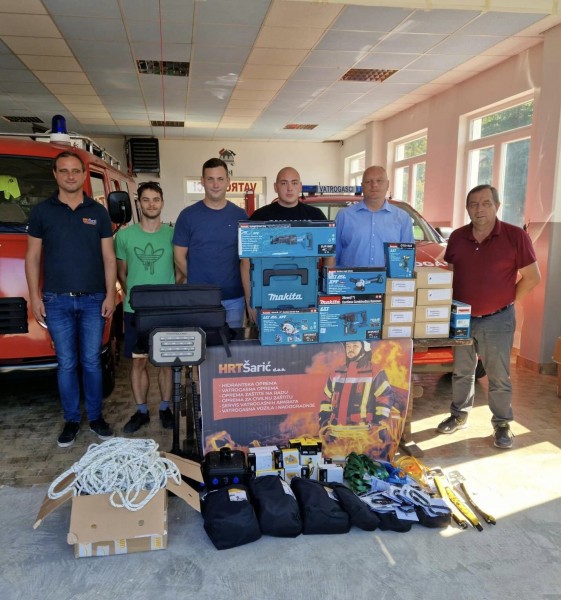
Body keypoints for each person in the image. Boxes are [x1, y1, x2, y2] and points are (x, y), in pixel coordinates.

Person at [436, 184, 541, 449]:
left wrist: (507, 301)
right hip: (462, 319)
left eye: (485, 203)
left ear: (497, 206)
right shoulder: (458, 237)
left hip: (498, 319)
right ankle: (459, 415)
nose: (479, 209)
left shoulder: (515, 236)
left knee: (498, 376)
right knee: (461, 371)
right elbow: (450, 274)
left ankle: (502, 424)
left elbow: (532, 277)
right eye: (473, 204)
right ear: (467, 208)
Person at [25, 150, 115, 448]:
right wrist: (35, 297)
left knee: (91, 362)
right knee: (66, 364)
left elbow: (108, 257)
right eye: (64, 171)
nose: (70, 176)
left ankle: (96, 418)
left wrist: (110, 294)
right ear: (55, 174)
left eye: (75, 170)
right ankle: (72, 420)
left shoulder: (98, 212)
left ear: (84, 174)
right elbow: (32, 257)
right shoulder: (42, 212)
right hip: (57, 300)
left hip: (93, 300)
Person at [115, 182, 176, 434]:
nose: (151, 204)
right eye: (146, 199)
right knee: (138, 363)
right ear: (138, 203)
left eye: (156, 199)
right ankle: (141, 411)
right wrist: (136, 298)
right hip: (136, 311)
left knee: (165, 363)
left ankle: (165, 408)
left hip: (166, 310)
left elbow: (181, 269)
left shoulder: (173, 235)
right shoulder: (124, 236)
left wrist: (168, 294)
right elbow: (122, 273)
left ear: (162, 202)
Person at [241, 166, 329, 323]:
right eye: (284, 183)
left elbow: (330, 256)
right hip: (267, 296)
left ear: (300, 186)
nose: (289, 188)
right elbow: (246, 262)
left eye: (294, 183)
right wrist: (250, 302)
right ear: (275, 187)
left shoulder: (316, 216)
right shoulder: (259, 217)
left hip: (306, 295)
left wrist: (325, 294)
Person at [173, 158, 248, 328]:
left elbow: (246, 259)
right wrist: (198, 281)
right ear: (202, 181)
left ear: (228, 181)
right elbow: (178, 257)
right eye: (210, 179)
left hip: (233, 299)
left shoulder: (241, 216)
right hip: (199, 299)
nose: (215, 184)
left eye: (220, 179)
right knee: (201, 344)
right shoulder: (188, 216)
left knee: (232, 344)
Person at [319, 341, 404, 438]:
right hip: (335, 433)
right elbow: (326, 399)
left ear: (365, 348)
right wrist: (324, 421)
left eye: (355, 346)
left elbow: (384, 398)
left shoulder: (375, 371)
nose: (350, 349)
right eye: (348, 346)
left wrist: (379, 423)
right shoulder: (336, 372)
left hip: (364, 435)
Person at [335, 165, 414, 267]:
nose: (374, 185)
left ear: (387, 184)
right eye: (368, 181)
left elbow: (407, 258)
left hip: (388, 277)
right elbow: (332, 255)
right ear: (362, 186)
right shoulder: (344, 216)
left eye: (379, 181)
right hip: (349, 277)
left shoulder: (403, 218)